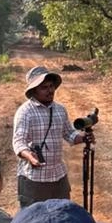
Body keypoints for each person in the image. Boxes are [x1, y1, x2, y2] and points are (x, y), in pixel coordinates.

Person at [11, 65, 90, 209]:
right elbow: (19, 142)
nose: (50, 91)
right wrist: (30, 156)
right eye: (44, 88)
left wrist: (84, 138)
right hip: (34, 179)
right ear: (34, 91)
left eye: (51, 86)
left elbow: (69, 133)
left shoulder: (60, 109)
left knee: (62, 214)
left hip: (58, 175)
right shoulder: (25, 112)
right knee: (34, 217)